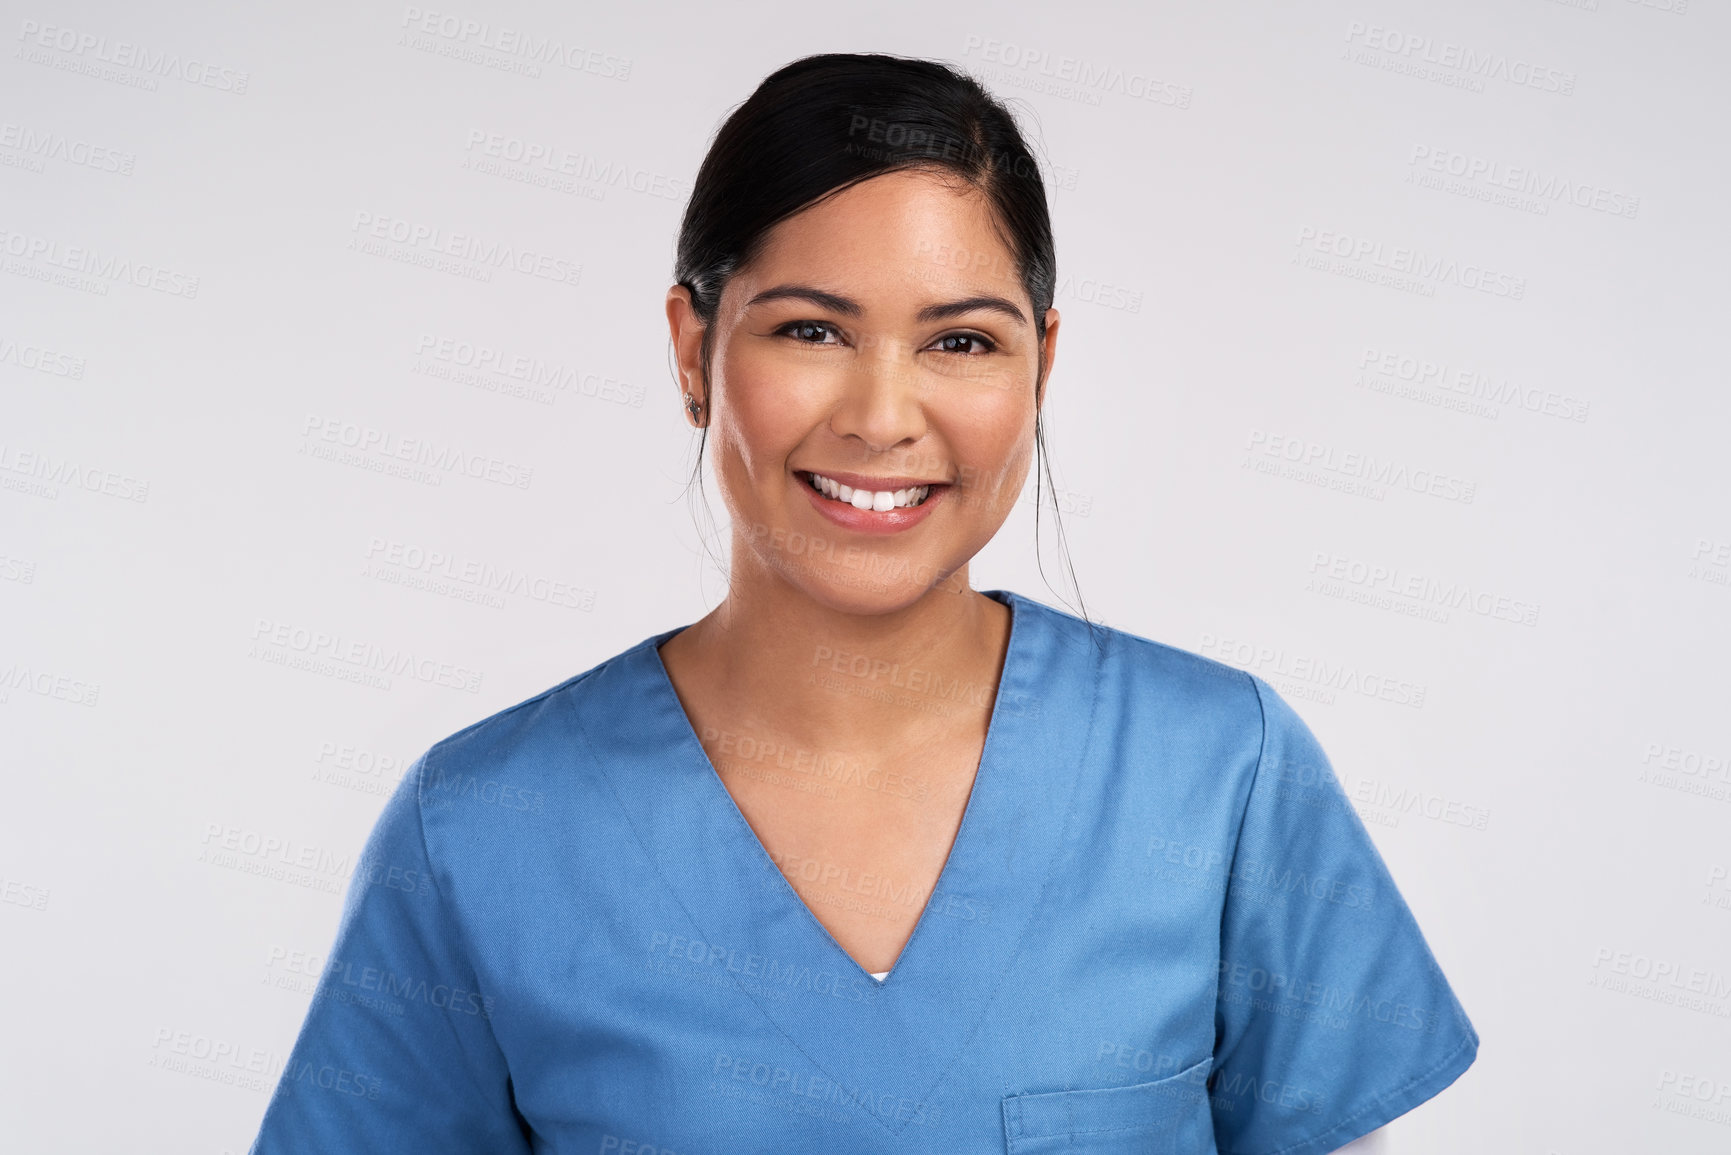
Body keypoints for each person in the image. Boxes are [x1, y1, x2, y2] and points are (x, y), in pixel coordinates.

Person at [249, 53, 1476, 1154]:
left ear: (1043, 364)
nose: (884, 417)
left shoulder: (1218, 775)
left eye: (961, 344)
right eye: (811, 329)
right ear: (693, 350)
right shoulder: (486, 830)